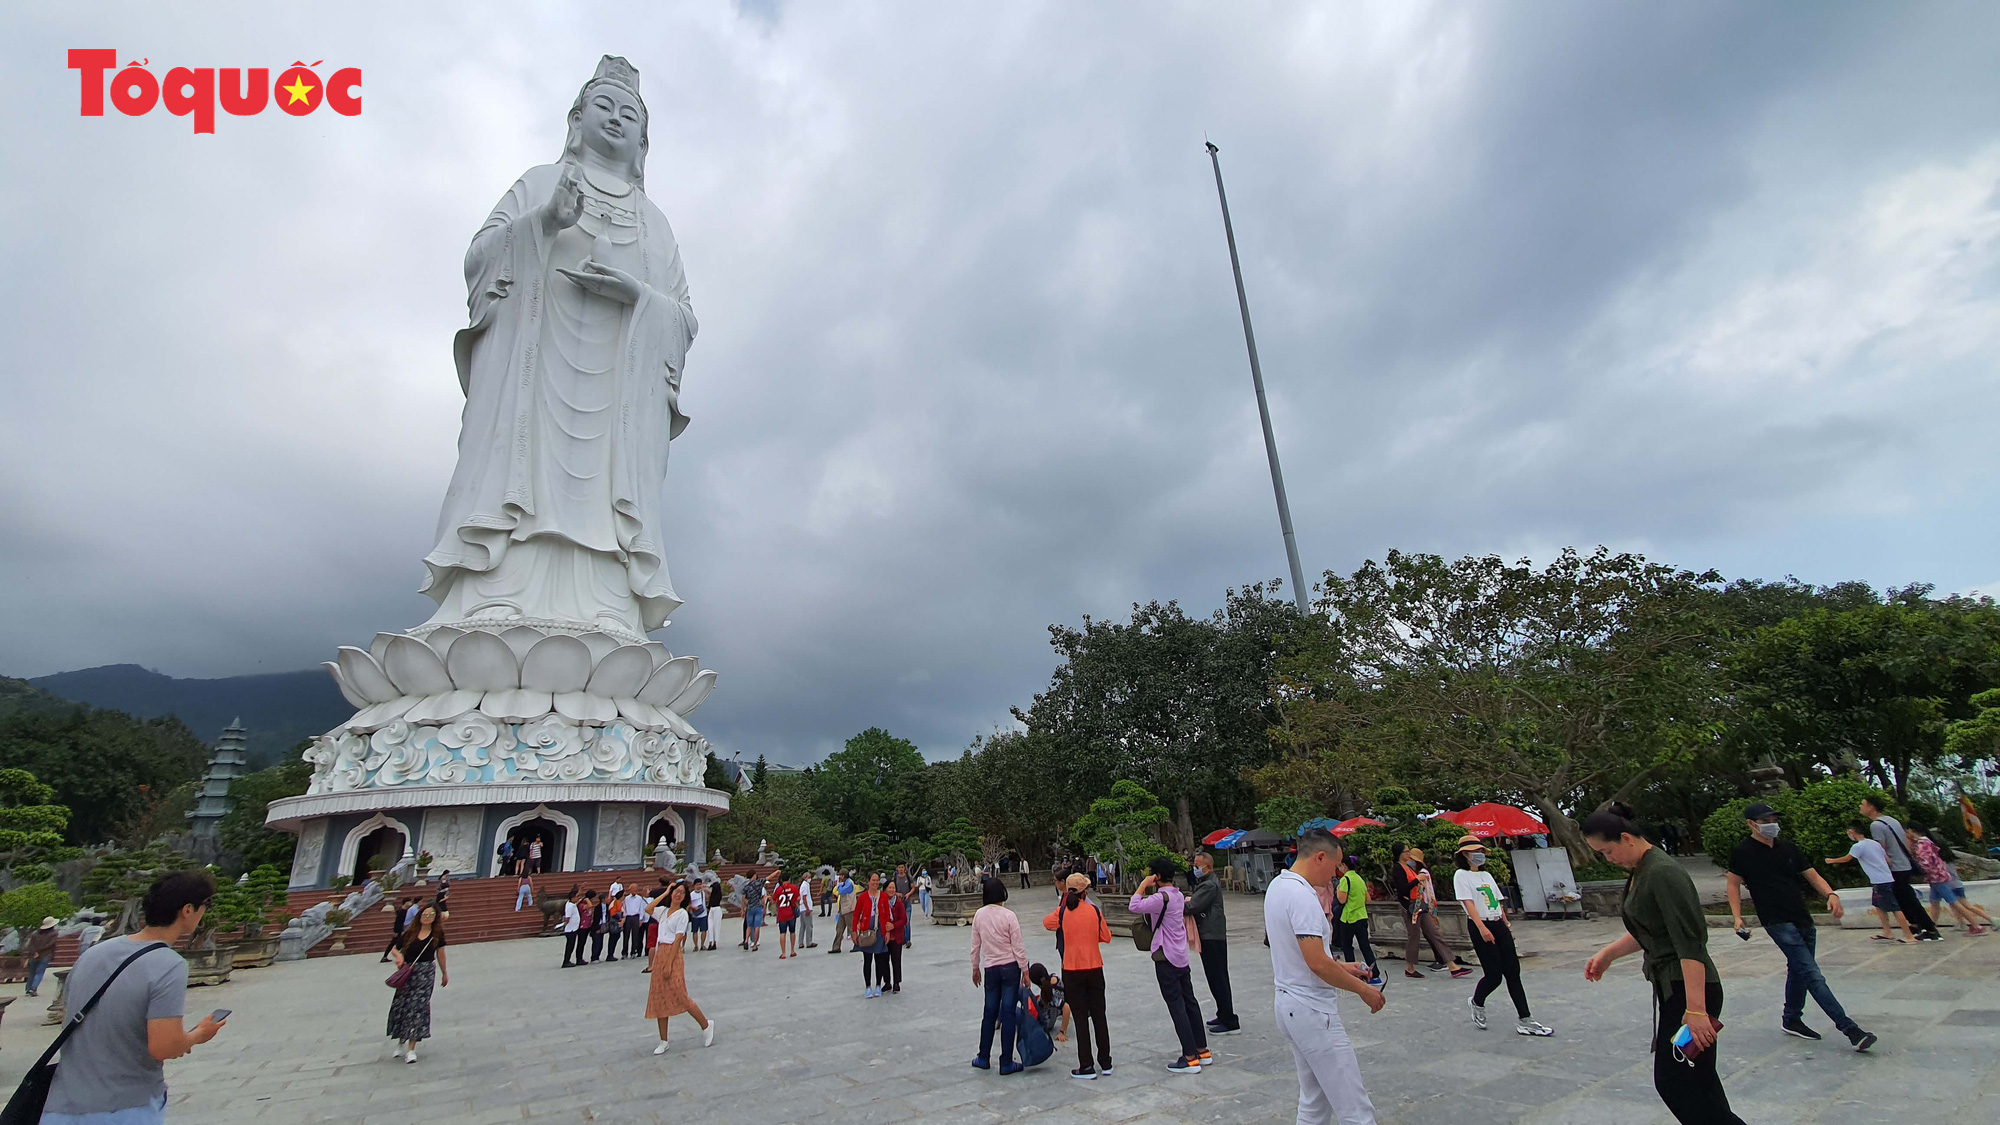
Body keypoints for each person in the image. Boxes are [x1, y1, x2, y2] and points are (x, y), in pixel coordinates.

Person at [1583, 803, 1745, 1124]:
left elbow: (1690, 944)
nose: (1608, 859)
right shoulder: (1642, 871)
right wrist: (1609, 954)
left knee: (1676, 1084)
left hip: (1691, 991)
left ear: (1626, 838)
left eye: (1607, 851)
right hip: (1672, 989)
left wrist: (1696, 1010)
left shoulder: (1663, 872)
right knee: (1699, 1085)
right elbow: (1654, 931)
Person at [43, 871, 225, 1124]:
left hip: (61, 1107)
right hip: (125, 1107)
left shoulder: (94, 954)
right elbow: (163, 1047)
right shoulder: (169, 964)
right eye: (206, 905)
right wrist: (198, 1034)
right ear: (187, 910)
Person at [1725, 802, 1877, 1050]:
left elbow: (1812, 874)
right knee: (1812, 974)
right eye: (1765, 821)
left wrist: (1831, 894)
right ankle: (1850, 1030)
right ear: (1751, 824)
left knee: (1799, 969)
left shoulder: (1787, 848)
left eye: (1773, 819)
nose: (1771, 824)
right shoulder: (1743, 852)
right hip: (1776, 919)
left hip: (1801, 916)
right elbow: (1733, 884)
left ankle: (1792, 1018)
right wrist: (1737, 917)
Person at [1265, 827, 1386, 1124]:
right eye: (1334, 866)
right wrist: (1364, 990)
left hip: (1290, 1003)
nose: (1334, 875)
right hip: (1312, 1011)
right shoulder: (1302, 896)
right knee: (1355, 1108)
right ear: (1320, 857)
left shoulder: (1279, 887)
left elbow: (1303, 957)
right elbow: (1317, 963)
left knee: (1315, 1100)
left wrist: (1345, 968)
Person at [1453, 837, 1552, 1036]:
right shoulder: (1461, 875)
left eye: (1481, 850)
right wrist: (1482, 928)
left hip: (1497, 922)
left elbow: (1497, 901)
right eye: (1475, 851)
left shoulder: (1486, 875)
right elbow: (1468, 903)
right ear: (1465, 854)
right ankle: (1477, 1002)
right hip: (1480, 924)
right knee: (1494, 975)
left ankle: (1526, 1019)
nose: (1479, 854)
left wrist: (1505, 921)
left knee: (1513, 972)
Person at [1130, 857, 1208, 1074]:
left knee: (1176, 1005)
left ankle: (1189, 1056)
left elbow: (1133, 905)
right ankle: (1202, 1050)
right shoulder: (1177, 895)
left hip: (1166, 956)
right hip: (1181, 955)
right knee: (1189, 1001)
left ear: (1157, 876)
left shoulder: (1160, 897)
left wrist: (1143, 885)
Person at [1044, 872, 1114, 1079]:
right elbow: (1106, 937)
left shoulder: (1063, 912)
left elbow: (1047, 923)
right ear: (1085, 892)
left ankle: (1086, 1065)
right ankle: (1106, 1062)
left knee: (1081, 1017)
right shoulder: (1093, 910)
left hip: (1072, 969)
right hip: (1094, 966)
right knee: (1099, 1015)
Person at [645, 882, 716, 1054]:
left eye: (681, 893)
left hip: (673, 954)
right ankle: (663, 1040)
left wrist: (669, 963)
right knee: (659, 997)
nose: (678, 895)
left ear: (685, 897)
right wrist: (665, 892)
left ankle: (706, 1025)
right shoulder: (663, 912)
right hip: (661, 951)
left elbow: (678, 939)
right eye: (676, 891)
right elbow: (648, 909)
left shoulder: (682, 914)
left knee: (680, 994)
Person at [1860, 795, 1941, 941]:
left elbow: (1880, 849)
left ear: (1871, 807)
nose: (1861, 806)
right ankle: (1916, 925)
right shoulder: (1892, 820)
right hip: (1904, 864)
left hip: (1894, 867)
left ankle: (1928, 928)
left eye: (1863, 804)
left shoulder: (1876, 825)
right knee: (1905, 897)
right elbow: (1906, 842)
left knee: (1906, 899)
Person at [969, 876, 1028, 1074]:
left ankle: (983, 1056)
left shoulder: (979, 915)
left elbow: (975, 946)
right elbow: (1018, 947)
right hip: (1010, 967)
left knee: (989, 1012)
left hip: (991, 968)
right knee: (1008, 1013)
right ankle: (1006, 1062)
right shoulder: (1009, 915)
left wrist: (975, 968)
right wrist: (1025, 971)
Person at [1829, 822, 1917, 943]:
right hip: (1883, 878)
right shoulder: (1874, 843)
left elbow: (1847, 858)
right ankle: (1887, 931)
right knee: (1879, 905)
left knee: (1894, 908)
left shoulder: (1858, 846)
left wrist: (1831, 860)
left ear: (1852, 832)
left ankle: (1909, 935)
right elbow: (1888, 860)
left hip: (1881, 881)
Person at [1390, 843, 1467, 979]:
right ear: (1400, 854)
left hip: (1420, 903)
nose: (1409, 854)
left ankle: (1451, 964)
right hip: (1410, 905)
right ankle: (1410, 967)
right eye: (1406, 852)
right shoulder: (1398, 868)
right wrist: (1416, 880)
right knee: (1414, 936)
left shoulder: (1408, 867)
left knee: (1434, 932)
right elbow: (1402, 889)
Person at [1185, 851, 1239, 1036]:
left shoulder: (1208, 885)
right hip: (1210, 933)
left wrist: (1178, 902)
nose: (1194, 868)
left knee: (1218, 978)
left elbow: (1192, 907)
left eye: (1197, 865)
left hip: (1212, 934)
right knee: (1215, 976)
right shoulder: (1206, 882)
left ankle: (1229, 1019)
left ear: (1206, 867)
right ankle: (1223, 1013)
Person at [386, 902, 448, 1063]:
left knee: (418, 1008)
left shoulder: (437, 935)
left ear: (436, 918)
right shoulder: (410, 933)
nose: (427, 917)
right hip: (408, 972)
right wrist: (399, 957)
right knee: (403, 1006)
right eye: (425, 914)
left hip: (426, 973)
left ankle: (411, 1049)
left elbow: (441, 954)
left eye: (431, 915)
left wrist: (444, 973)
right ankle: (400, 1041)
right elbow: (394, 948)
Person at [1909, 826, 1987, 934]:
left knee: (1954, 903)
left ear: (1911, 831)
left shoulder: (1922, 844)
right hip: (1937, 879)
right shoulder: (1928, 843)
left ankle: (1976, 926)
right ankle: (1931, 928)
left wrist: (1916, 871)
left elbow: (1926, 864)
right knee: (1935, 904)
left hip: (1937, 879)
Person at [1330, 854, 1382, 988]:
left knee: (1347, 947)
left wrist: (1338, 891)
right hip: (1362, 916)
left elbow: (1342, 900)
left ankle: (1352, 974)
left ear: (1345, 866)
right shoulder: (1360, 879)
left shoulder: (1345, 880)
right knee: (1365, 946)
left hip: (1348, 918)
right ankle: (1375, 973)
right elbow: (1367, 899)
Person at [852, 873, 892, 996]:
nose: (875, 882)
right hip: (866, 931)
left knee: (879, 959)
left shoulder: (883, 896)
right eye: (873, 880)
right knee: (867, 960)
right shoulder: (863, 897)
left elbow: (886, 915)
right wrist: (854, 931)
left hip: (879, 931)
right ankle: (868, 986)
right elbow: (856, 914)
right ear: (868, 881)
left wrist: (887, 931)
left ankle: (879, 985)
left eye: (877, 880)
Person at [879, 882, 911, 993]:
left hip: (896, 936)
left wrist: (894, 925)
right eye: (889, 888)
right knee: (884, 960)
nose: (892, 890)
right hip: (884, 936)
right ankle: (887, 982)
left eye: (893, 888)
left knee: (896, 960)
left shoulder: (898, 904)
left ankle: (896, 982)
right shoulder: (881, 903)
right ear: (884, 889)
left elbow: (904, 920)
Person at [24, 915, 60, 997]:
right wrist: (50, 954)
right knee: (40, 972)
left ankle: (28, 989)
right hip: (45, 955)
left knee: (32, 972)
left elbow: (31, 945)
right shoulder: (54, 934)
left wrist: (34, 952)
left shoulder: (35, 934)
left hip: (34, 955)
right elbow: (51, 945)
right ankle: (33, 988)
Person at [773, 871, 800, 959]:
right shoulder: (794, 887)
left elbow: (774, 900)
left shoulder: (779, 889)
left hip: (782, 914)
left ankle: (783, 953)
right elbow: (798, 898)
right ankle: (792, 950)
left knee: (782, 933)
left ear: (781, 880)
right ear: (789, 879)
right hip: (791, 913)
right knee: (792, 931)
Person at [740, 870, 767, 952]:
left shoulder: (746, 886)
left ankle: (746, 940)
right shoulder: (759, 883)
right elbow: (768, 877)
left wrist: (743, 908)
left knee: (749, 926)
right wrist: (776, 872)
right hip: (758, 907)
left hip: (750, 908)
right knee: (757, 926)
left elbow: (744, 898)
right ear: (754, 875)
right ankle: (755, 944)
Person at [830, 871, 856, 953]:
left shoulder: (849, 883)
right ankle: (836, 947)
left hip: (849, 909)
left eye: (840, 876)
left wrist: (839, 885)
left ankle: (857, 945)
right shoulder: (845, 883)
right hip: (842, 909)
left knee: (852, 928)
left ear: (843, 876)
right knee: (839, 929)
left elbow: (840, 891)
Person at [381, 896, 413, 963]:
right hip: (399, 930)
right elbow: (397, 922)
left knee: (403, 943)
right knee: (394, 943)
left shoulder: (407, 911)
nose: (410, 903)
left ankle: (403, 956)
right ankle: (385, 956)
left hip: (403, 929)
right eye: (409, 902)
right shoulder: (402, 911)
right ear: (405, 903)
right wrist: (395, 931)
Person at [561, 888, 585, 967]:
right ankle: (566, 961)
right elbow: (567, 917)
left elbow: (578, 899)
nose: (578, 898)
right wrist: (565, 924)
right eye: (576, 897)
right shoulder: (570, 906)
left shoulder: (572, 904)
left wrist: (581, 888)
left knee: (571, 945)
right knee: (570, 946)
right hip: (570, 929)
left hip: (574, 928)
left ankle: (568, 960)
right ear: (572, 898)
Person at [686, 879, 709, 954]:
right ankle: (696, 945)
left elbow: (708, 898)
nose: (699, 886)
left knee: (704, 930)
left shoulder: (703, 893)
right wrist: (693, 907)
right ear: (694, 886)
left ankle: (702, 945)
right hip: (695, 914)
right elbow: (689, 904)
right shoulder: (691, 894)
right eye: (697, 885)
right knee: (695, 931)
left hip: (703, 914)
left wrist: (705, 890)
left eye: (700, 884)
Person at [797, 871, 817, 949]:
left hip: (802, 908)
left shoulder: (803, 885)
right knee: (809, 925)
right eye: (809, 877)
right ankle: (809, 942)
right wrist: (807, 908)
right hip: (806, 907)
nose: (810, 879)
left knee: (803, 926)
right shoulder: (805, 885)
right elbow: (804, 898)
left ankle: (801, 942)